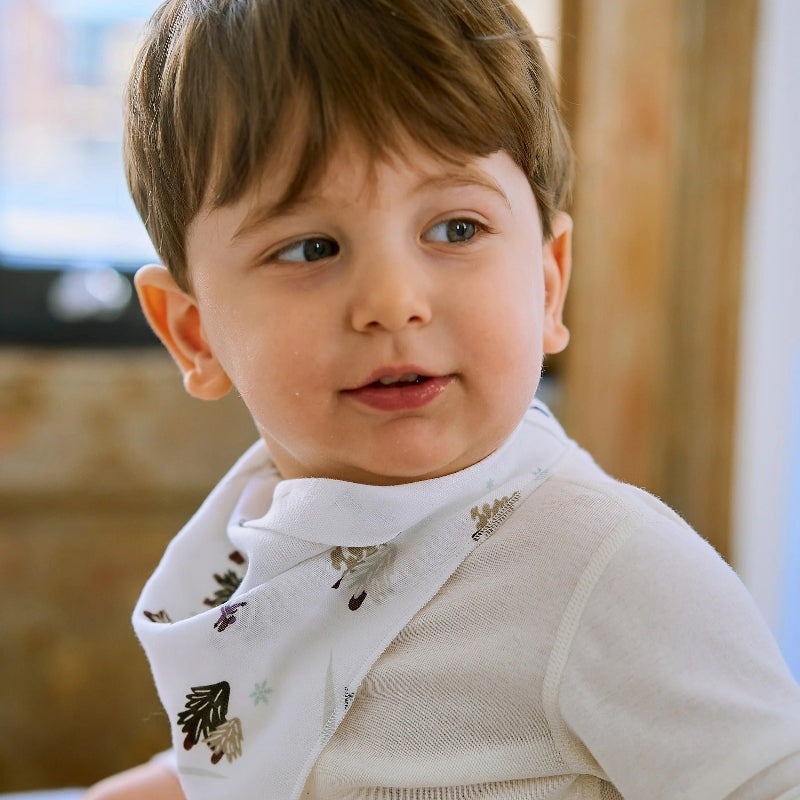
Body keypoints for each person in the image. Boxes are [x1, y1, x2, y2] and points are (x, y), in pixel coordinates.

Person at [86, 0, 800, 798]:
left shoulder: (613, 572)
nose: (393, 302)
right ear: (194, 334)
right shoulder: (272, 531)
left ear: (547, 284)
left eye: (456, 229)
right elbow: (299, 734)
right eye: (311, 248)